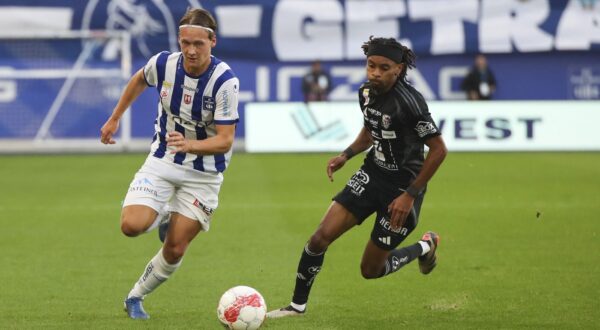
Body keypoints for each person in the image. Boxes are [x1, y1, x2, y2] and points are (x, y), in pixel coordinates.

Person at [266, 36, 448, 319]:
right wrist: (346, 155)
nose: (374, 72)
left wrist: (409, 195)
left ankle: (426, 245)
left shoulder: (411, 103)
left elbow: (438, 150)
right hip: (371, 174)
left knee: (370, 270)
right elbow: (369, 130)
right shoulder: (365, 92)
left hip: (402, 189)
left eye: (383, 67)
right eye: (370, 65)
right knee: (318, 239)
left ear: (398, 69)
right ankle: (297, 307)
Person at [100, 8, 239, 320]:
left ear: (212, 41)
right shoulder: (164, 63)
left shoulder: (225, 81)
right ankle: (163, 211)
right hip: (163, 160)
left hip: (204, 174)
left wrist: (190, 144)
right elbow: (139, 79)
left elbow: (226, 140)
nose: (190, 50)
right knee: (130, 226)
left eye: (198, 44)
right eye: (185, 42)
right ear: (179, 40)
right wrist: (115, 118)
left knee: (175, 247)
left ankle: (135, 297)